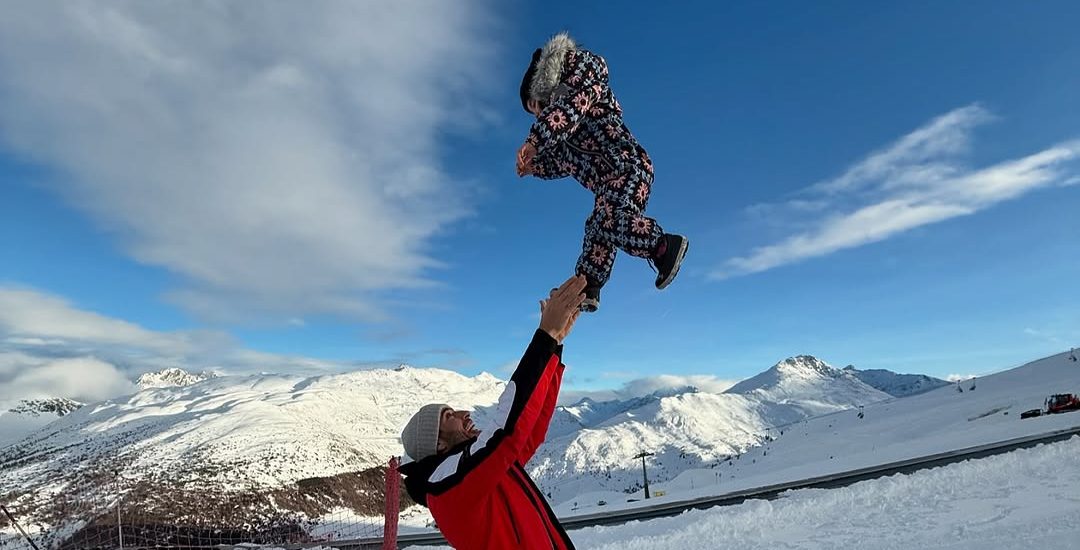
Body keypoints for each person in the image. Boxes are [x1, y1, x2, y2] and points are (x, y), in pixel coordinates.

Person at [398, 274, 586, 550]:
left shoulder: (475, 473)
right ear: (438, 443)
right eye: (448, 416)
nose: (463, 413)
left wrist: (555, 344)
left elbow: (530, 431)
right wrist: (544, 337)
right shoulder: (445, 483)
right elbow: (505, 433)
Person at [516, 32, 688, 312]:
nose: (537, 116)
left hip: (628, 165)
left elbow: (571, 107)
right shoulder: (565, 134)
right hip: (608, 183)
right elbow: (562, 161)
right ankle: (588, 286)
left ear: (541, 89)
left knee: (609, 221)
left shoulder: (584, 73)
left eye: (535, 108)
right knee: (597, 226)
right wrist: (535, 167)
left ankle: (662, 246)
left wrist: (536, 140)